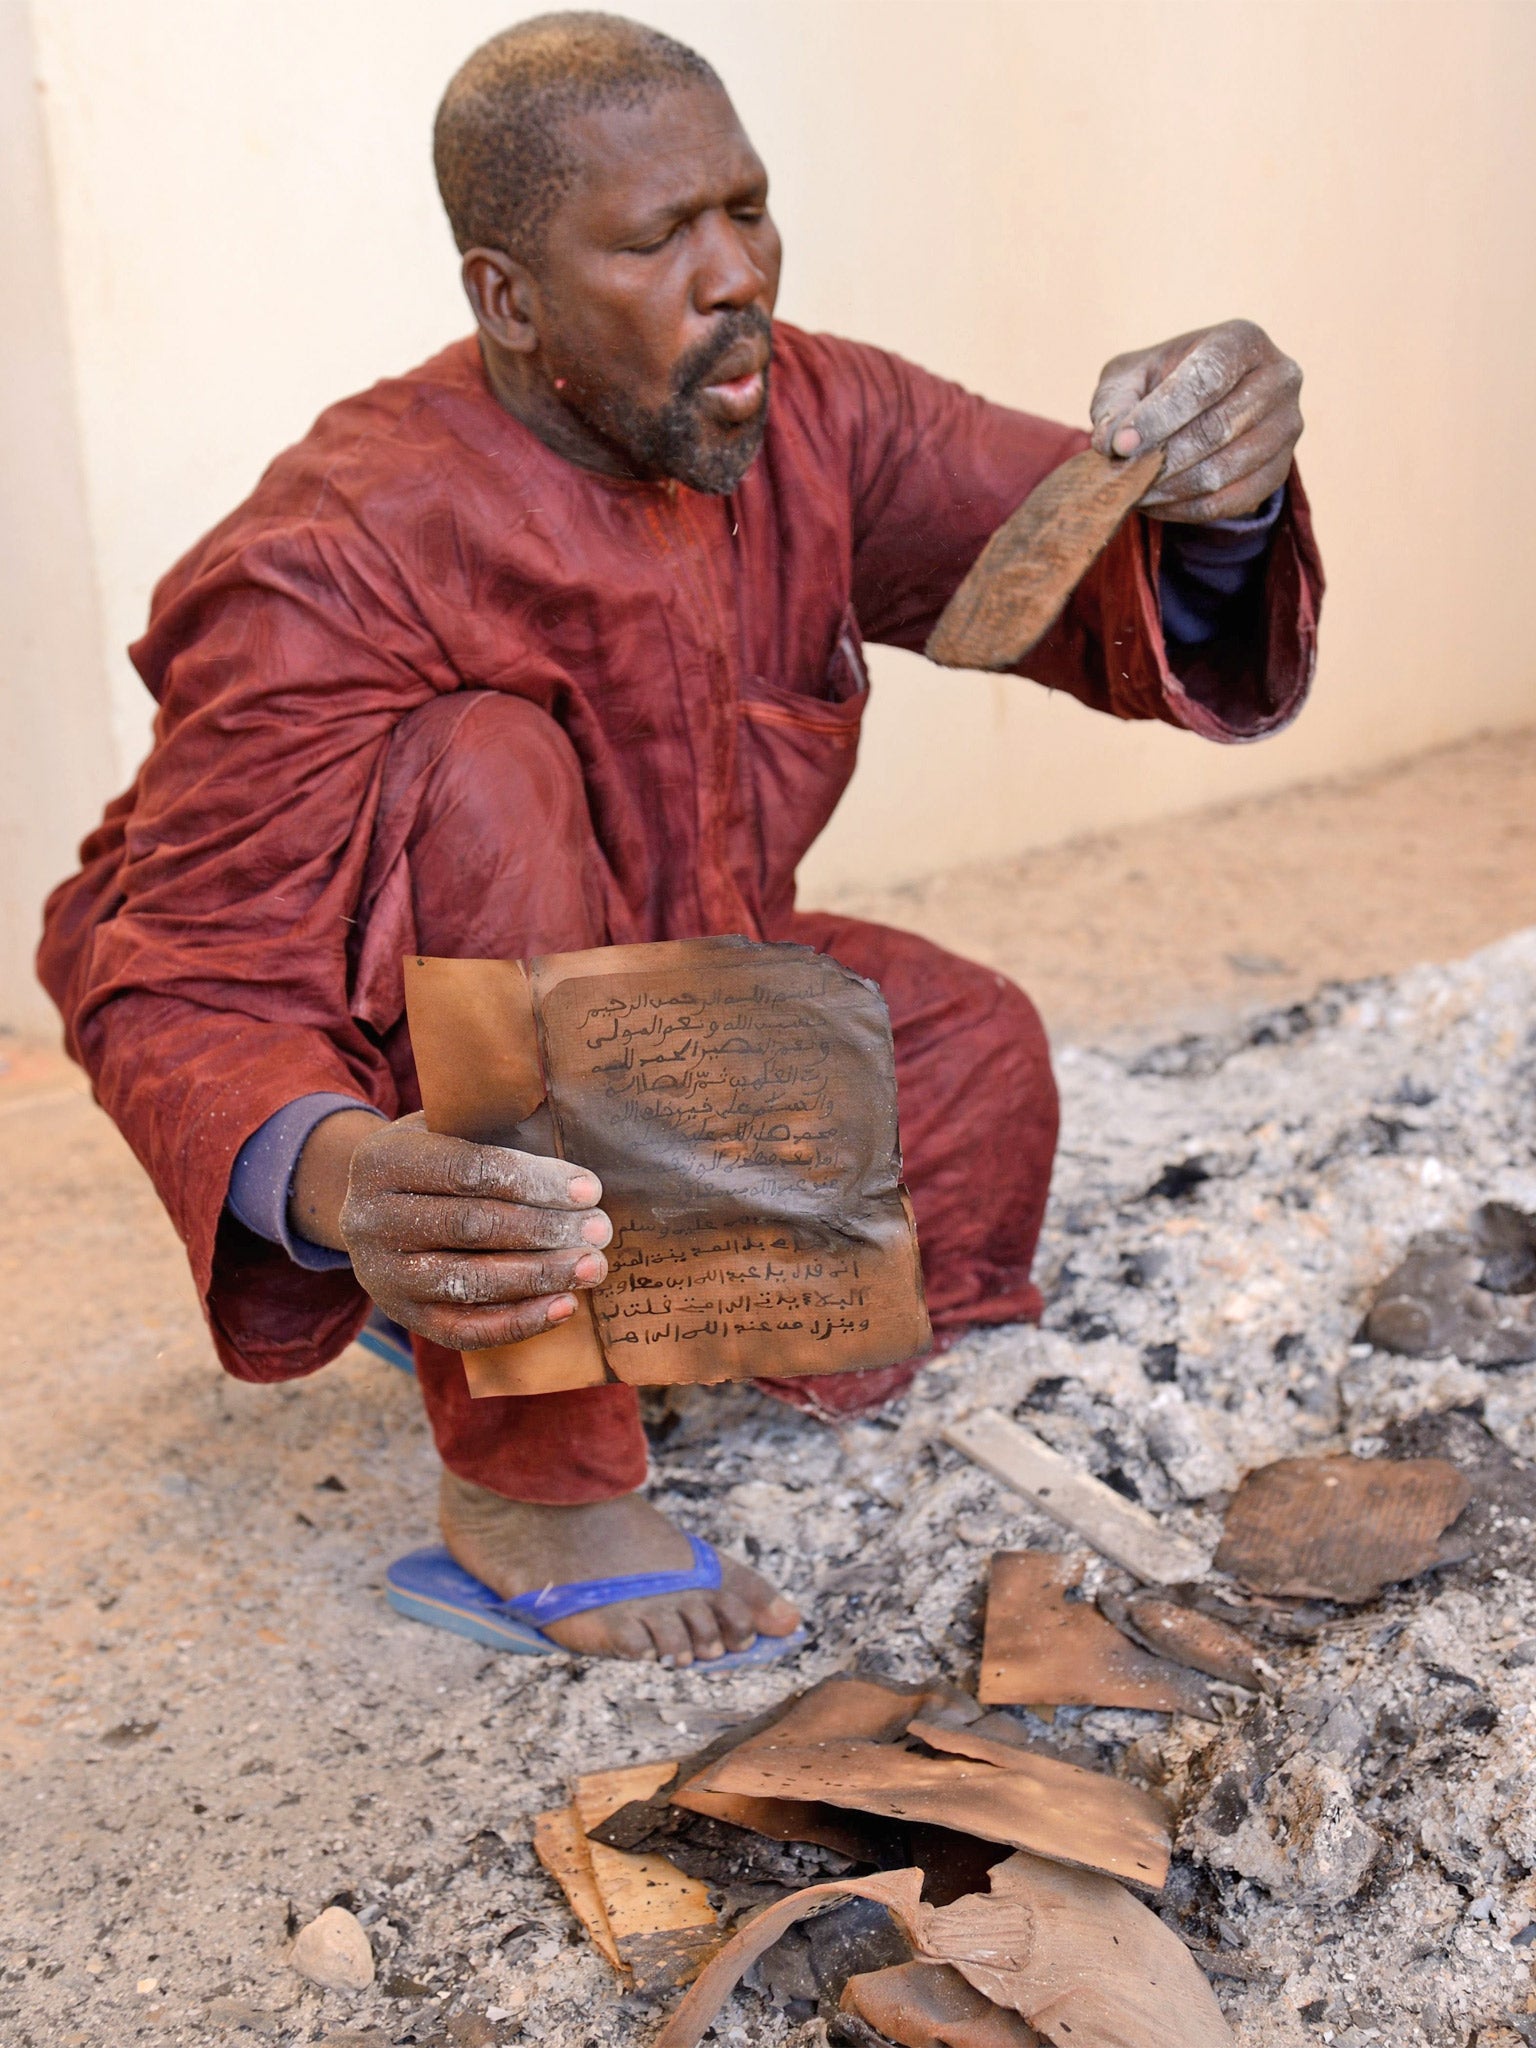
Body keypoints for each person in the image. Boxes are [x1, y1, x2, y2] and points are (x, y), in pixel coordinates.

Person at [39, 12, 1321, 1668]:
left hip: (644, 969)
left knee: (972, 1057)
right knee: (487, 779)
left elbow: (1065, 549)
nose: (738, 276)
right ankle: (532, 1483)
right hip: (348, 1007)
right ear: (506, 298)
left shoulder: (808, 412)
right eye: (659, 238)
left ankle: (506, 1280)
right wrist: (350, 1182)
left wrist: (1224, 493)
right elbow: (186, 980)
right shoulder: (333, 548)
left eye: (749, 208)